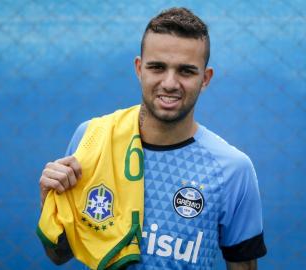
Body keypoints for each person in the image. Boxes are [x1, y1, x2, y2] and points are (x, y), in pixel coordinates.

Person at [38, 7, 267, 270]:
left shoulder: (233, 170)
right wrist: (50, 201)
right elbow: (59, 254)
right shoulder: (93, 138)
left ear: (205, 79)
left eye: (186, 71)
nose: (170, 83)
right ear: (139, 69)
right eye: (157, 67)